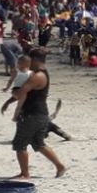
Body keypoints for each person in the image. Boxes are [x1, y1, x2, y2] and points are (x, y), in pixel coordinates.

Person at [10, 48, 66, 179]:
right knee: (38, 143)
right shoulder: (42, 74)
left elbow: (20, 93)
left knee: (20, 144)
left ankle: (25, 173)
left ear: (34, 60)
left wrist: (13, 88)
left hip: (32, 114)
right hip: (40, 114)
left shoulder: (38, 76)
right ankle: (60, 166)